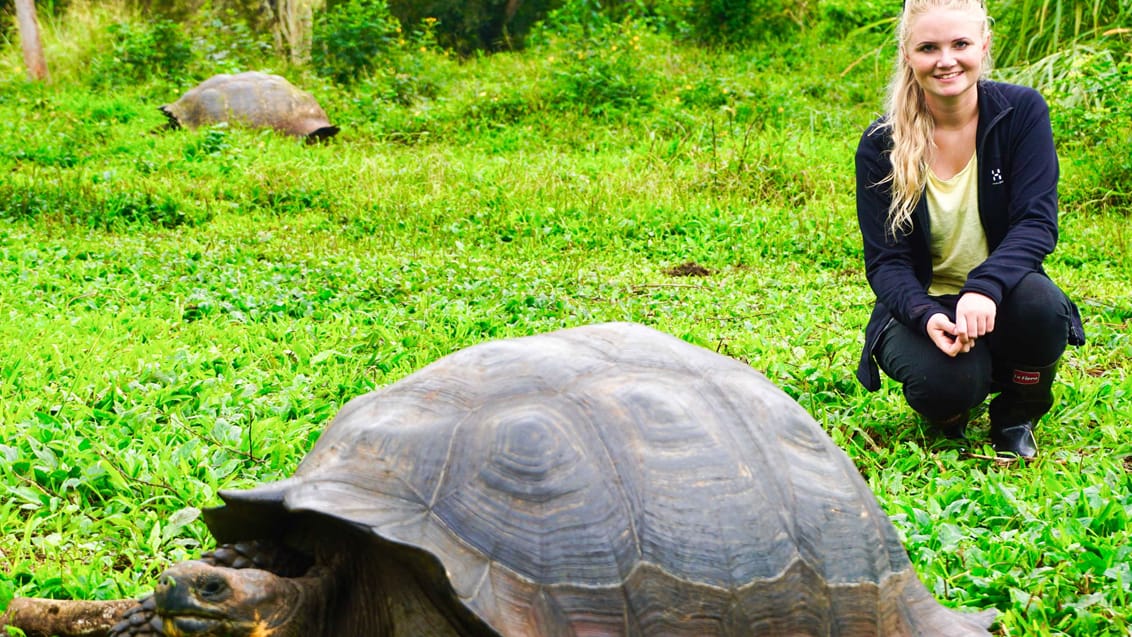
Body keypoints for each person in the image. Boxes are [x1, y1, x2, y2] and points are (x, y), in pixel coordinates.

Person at [854, 0, 1085, 459]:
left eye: (960, 44)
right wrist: (925, 315)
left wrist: (984, 287)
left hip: (1004, 295)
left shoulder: (1020, 112)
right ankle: (957, 401)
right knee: (948, 387)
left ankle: (1018, 412)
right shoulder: (881, 143)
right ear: (908, 54)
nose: (946, 60)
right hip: (927, 303)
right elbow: (887, 262)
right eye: (928, 47)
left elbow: (1036, 223)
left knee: (1042, 307)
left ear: (983, 45)